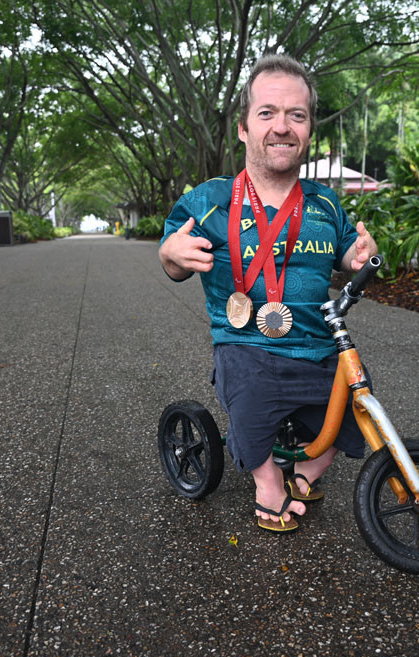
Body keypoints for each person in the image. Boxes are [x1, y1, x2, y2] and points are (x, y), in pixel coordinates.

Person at [159, 54, 378, 533]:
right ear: (243, 128)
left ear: (308, 129)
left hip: (319, 345)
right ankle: (267, 484)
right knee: (253, 394)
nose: (282, 127)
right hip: (247, 346)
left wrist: (357, 257)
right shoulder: (208, 200)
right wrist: (173, 252)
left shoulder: (324, 202)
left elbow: (346, 253)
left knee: (356, 405)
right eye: (268, 113)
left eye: (296, 115)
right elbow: (171, 255)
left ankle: (303, 472)